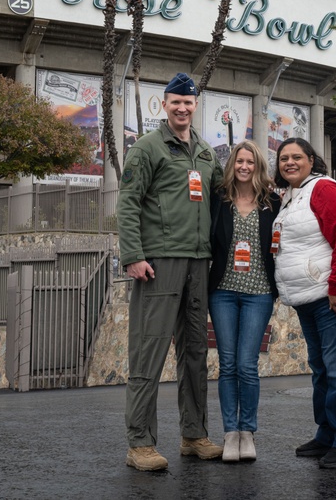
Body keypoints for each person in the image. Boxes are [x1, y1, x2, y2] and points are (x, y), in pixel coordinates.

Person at [118, 72, 225, 472]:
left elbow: (223, 201)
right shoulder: (146, 148)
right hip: (159, 263)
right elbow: (128, 202)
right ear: (164, 105)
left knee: (195, 353)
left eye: (188, 102)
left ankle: (194, 435)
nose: (182, 108)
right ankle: (140, 443)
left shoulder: (206, 153)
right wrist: (133, 255)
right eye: (175, 102)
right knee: (148, 351)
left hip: (199, 262)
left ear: (196, 105)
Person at [272, 137, 336, 469]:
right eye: (284, 158)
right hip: (307, 296)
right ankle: (327, 434)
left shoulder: (323, 188)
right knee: (322, 368)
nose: (290, 162)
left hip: (332, 295)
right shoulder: (290, 196)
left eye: (297, 157)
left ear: (312, 160)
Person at [208, 140, 281, 463]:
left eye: (250, 162)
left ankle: (247, 431)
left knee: (247, 364)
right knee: (227, 364)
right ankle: (230, 433)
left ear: (258, 166)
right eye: (239, 161)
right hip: (222, 291)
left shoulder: (272, 201)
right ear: (232, 164)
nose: (244, 166)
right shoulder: (219, 199)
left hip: (259, 292)